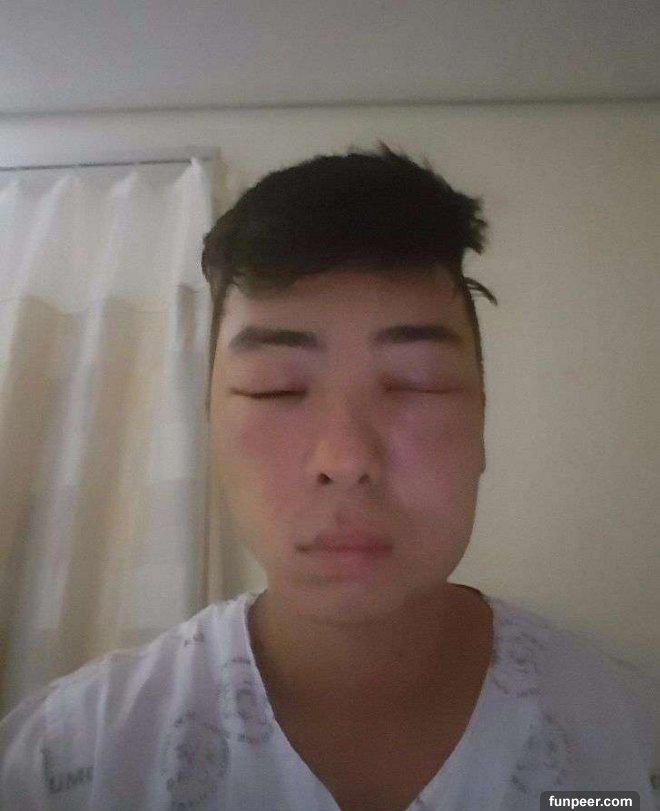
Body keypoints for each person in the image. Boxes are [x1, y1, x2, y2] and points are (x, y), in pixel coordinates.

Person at [1, 142, 658, 810]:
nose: (345, 460)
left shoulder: (633, 746)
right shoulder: (67, 761)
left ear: (482, 422)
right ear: (211, 426)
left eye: (416, 383)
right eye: (277, 388)